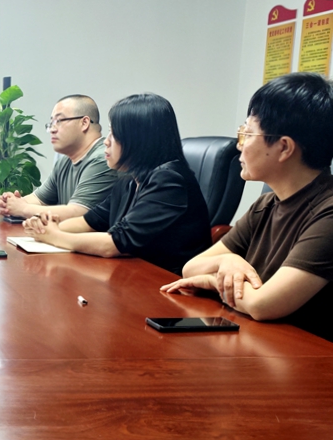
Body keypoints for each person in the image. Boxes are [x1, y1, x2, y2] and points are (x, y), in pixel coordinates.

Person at [162, 72, 333, 341]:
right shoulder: (266, 204)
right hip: (257, 340)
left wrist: (213, 281)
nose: (239, 147)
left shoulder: (328, 212)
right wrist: (227, 260)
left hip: (304, 353)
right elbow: (191, 268)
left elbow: (263, 304)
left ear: (284, 148)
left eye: (247, 134)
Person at [23, 93, 210, 275]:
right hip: (132, 275)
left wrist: (55, 236)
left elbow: (114, 244)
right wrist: (44, 228)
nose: (106, 141)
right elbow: (91, 220)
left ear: (138, 139)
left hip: (164, 283)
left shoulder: (169, 181)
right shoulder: (129, 181)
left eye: (114, 134)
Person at [0, 94, 117, 220]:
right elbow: (38, 199)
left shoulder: (103, 159)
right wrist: (8, 203)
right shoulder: (65, 161)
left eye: (59, 121)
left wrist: (23, 209)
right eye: (51, 123)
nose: (52, 130)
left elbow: (79, 213)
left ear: (84, 123)